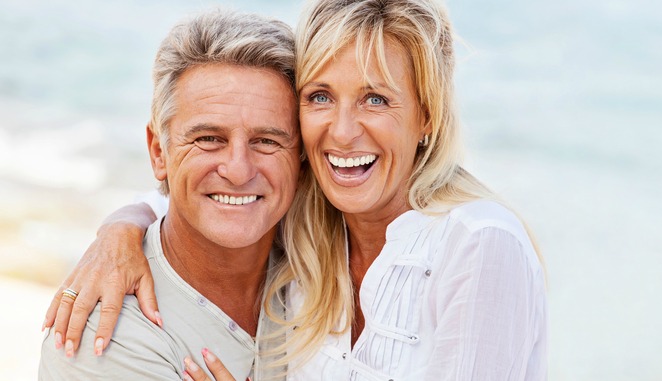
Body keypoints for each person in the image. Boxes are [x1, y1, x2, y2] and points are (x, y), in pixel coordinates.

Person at [44, 0, 548, 379]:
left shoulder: (478, 247)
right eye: (321, 96)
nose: (344, 131)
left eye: (375, 98)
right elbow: (204, 194)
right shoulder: (312, 229)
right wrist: (119, 231)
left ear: (427, 117)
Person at [38, 9, 300, 380]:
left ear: (301, 158)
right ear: (159, 152)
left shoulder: (320, 268)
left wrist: (124, 221)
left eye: (267, 141)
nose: (239, 171)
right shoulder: (104, 338)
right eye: (209, 139)